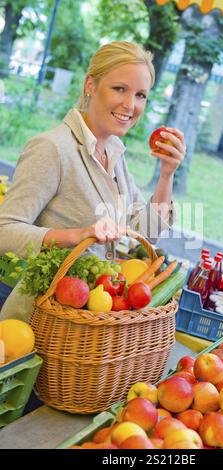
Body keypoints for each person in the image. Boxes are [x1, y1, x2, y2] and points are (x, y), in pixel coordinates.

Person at [0, 41, 185, 321]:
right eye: (119, 89)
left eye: (140, 95)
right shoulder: (53, 148)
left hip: (87, 328)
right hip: (41, 322)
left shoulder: (115, 154)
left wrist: (167, 173)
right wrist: (76, 235)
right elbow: (4, 231)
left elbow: (146, 232)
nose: (130, 105)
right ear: (90, 85)